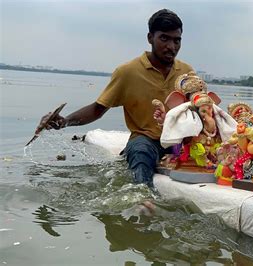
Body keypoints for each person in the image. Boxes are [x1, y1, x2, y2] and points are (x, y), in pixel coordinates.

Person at [36, 9, 194, 187]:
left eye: (177, 40)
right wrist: (64, 122)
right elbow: (98, 109)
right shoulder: (128, 72)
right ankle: (144, 199)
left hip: (178, 141)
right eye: (164, 38)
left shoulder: (187, 73)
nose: (171, 47)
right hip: (145, 139)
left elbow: (201, 110)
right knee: (141, 153)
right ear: (150, 38)